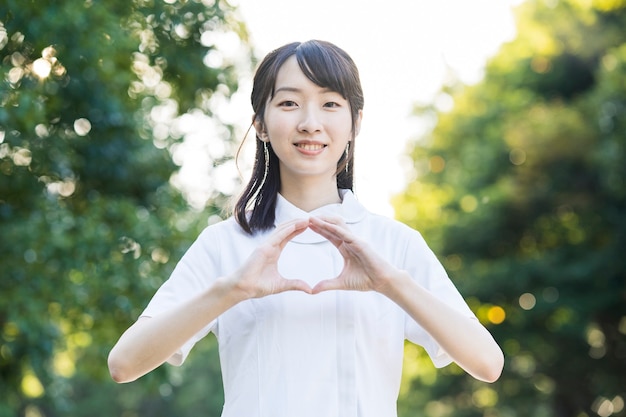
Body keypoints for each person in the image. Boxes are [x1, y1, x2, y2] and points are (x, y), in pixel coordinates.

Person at [108, 39, 504, 417]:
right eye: (289, 103)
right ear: (260, 124)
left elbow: (487, 363)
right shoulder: (225, 245)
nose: (310, 123)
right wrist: (233, 290)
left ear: (355, 123)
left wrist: (389, 283)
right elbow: (124, 364)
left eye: (330, 103)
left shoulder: (393, 245)